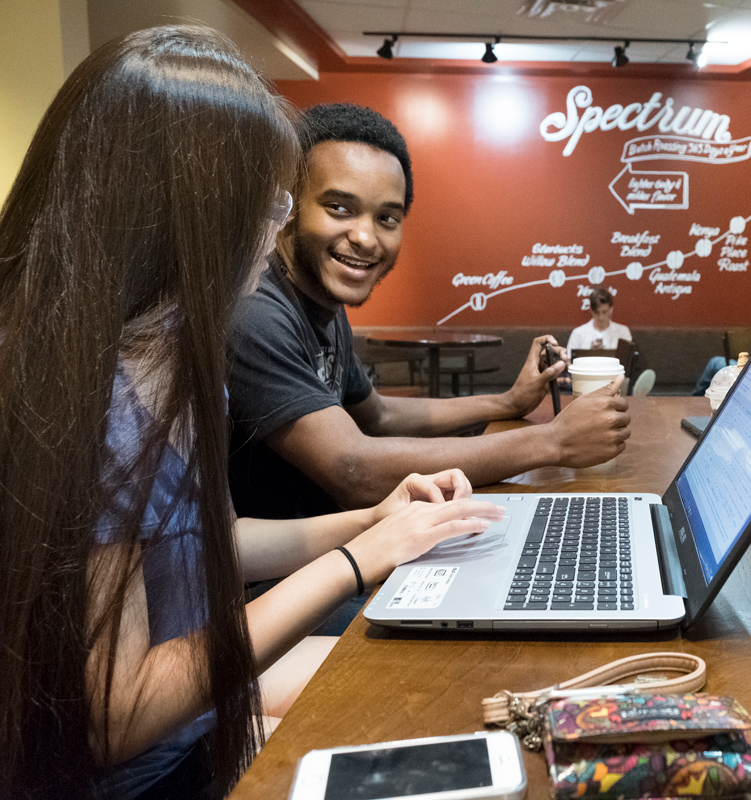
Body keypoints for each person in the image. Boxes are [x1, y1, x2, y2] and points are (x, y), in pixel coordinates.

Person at [0, 27, 503, 800]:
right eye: (267, 208)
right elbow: (118, 712)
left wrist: (370, 523)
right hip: (154, 773)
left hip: (201, 725)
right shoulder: (94, 403)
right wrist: (357, 562)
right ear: (182, 218)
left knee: (458, 674)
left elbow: (206, 544)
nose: (272, 237)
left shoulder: (164, 355)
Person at [227, 103, 630, 525]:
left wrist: (505, 401)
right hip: (281, 583)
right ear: (289, 208)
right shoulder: (257, 314)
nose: (365, 237)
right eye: (340, 208)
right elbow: (354, 469)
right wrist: (555, 442)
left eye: (386, 217)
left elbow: (379, 417)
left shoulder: (323, 305)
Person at [566, 287, 632, 358]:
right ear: (591, 310)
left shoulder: (623, 332)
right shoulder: (578, 333)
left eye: (604, 312)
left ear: (611, 309)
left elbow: (628, 361)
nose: (601, 317)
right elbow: (569, 361)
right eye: (597, 313)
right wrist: (590, 353)